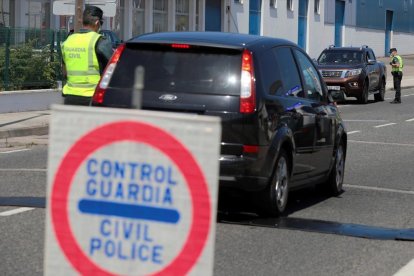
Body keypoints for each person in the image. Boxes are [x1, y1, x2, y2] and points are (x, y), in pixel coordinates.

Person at [61, 5, 113, 105]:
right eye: (101, 23)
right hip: (92, 97)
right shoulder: (100, 41)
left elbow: (64, 72)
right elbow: (113, 68)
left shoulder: (68, 40)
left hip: (69, 97)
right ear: (97, 23)